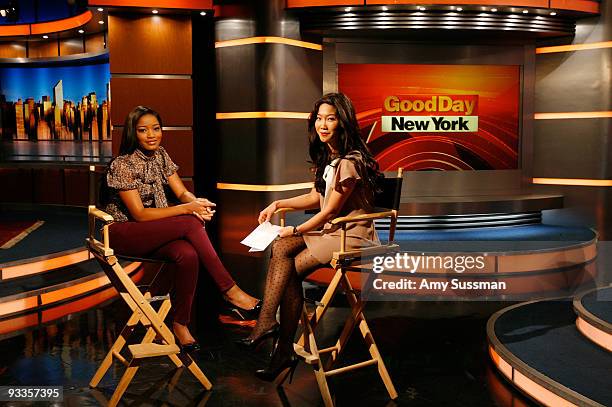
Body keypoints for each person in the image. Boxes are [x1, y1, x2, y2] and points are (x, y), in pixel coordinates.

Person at [237, 93, 383, 382]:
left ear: (343, 122)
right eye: (319, 118)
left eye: (330, 118)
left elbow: (329, 210)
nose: (323, 124)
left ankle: (273, 335)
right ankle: (272, 333)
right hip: (333, 231)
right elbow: (317, 196)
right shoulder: (330, 155)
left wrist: (294, 229)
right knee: (281, 248)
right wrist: (278, 204)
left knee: (286, 256)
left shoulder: (350, 162)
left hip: (351, 235)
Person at [103, 105, 260, 351]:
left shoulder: (161, 155)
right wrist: (188, 210)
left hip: (151, 229)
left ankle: (180, 324)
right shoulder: (123, 164)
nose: (152, 135)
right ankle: (230, 290)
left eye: (156, 128)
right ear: (133, 133)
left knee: (187, 254)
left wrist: (195, 202)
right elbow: (140, 215)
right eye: (144, 130)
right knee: (189, 221)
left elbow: (182, 192)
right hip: (122, 231)